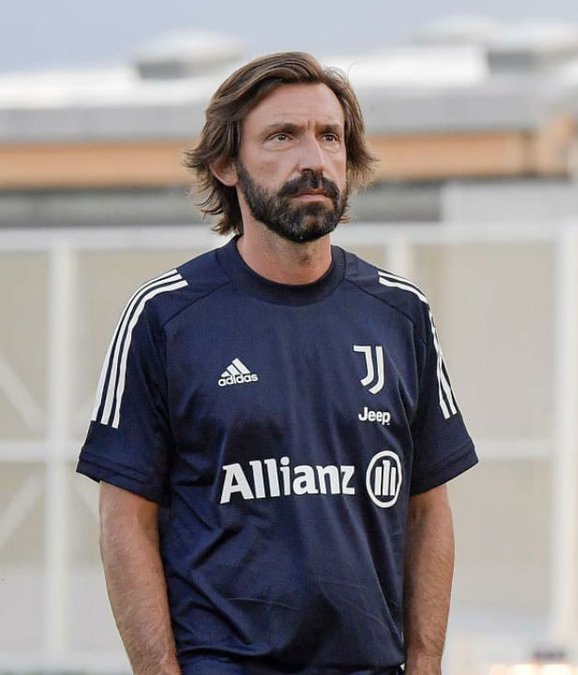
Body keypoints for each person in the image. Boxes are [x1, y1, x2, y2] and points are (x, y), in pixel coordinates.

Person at [76, 51, 478, 674]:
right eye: (282, 136)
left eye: (329, 137)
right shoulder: (165, 317)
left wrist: (424, 666)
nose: (313, 159)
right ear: (226, 164)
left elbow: (429, 510)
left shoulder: (401, 314)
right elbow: (125, 518)